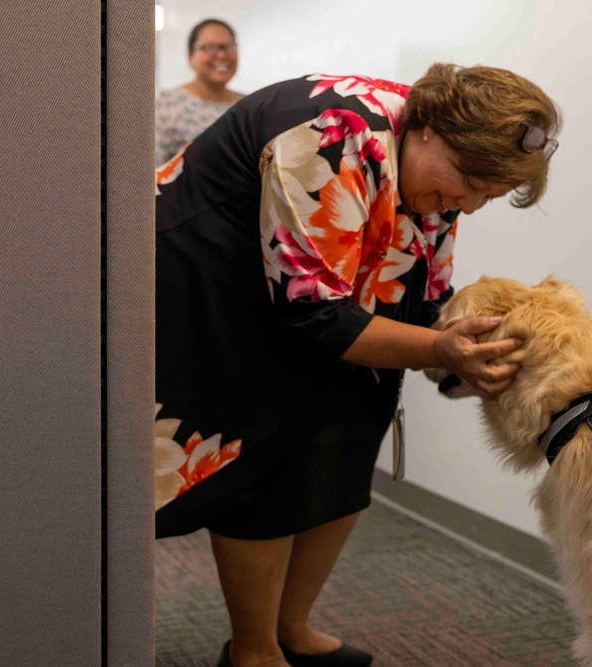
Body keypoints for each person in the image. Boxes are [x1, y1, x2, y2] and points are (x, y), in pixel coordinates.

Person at [154, 63, 560, 667]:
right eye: (469, 183)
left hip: (315, 295)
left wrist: (460, 344)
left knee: (351, 425)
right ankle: (254, 651)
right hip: (212, 284)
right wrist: (438, 349)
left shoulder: (439, 166)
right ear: (429, 131)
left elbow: (422, 294)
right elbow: (310, 309)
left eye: (487, 196)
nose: (468, 205)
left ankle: (292, 628)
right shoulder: (327, 134)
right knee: (263, 453)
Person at [155, 18, 244, 166]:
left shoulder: (248, 105)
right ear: (191, 56)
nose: (222, 55)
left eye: (228, 47)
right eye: (210, 47)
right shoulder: (166, 104)